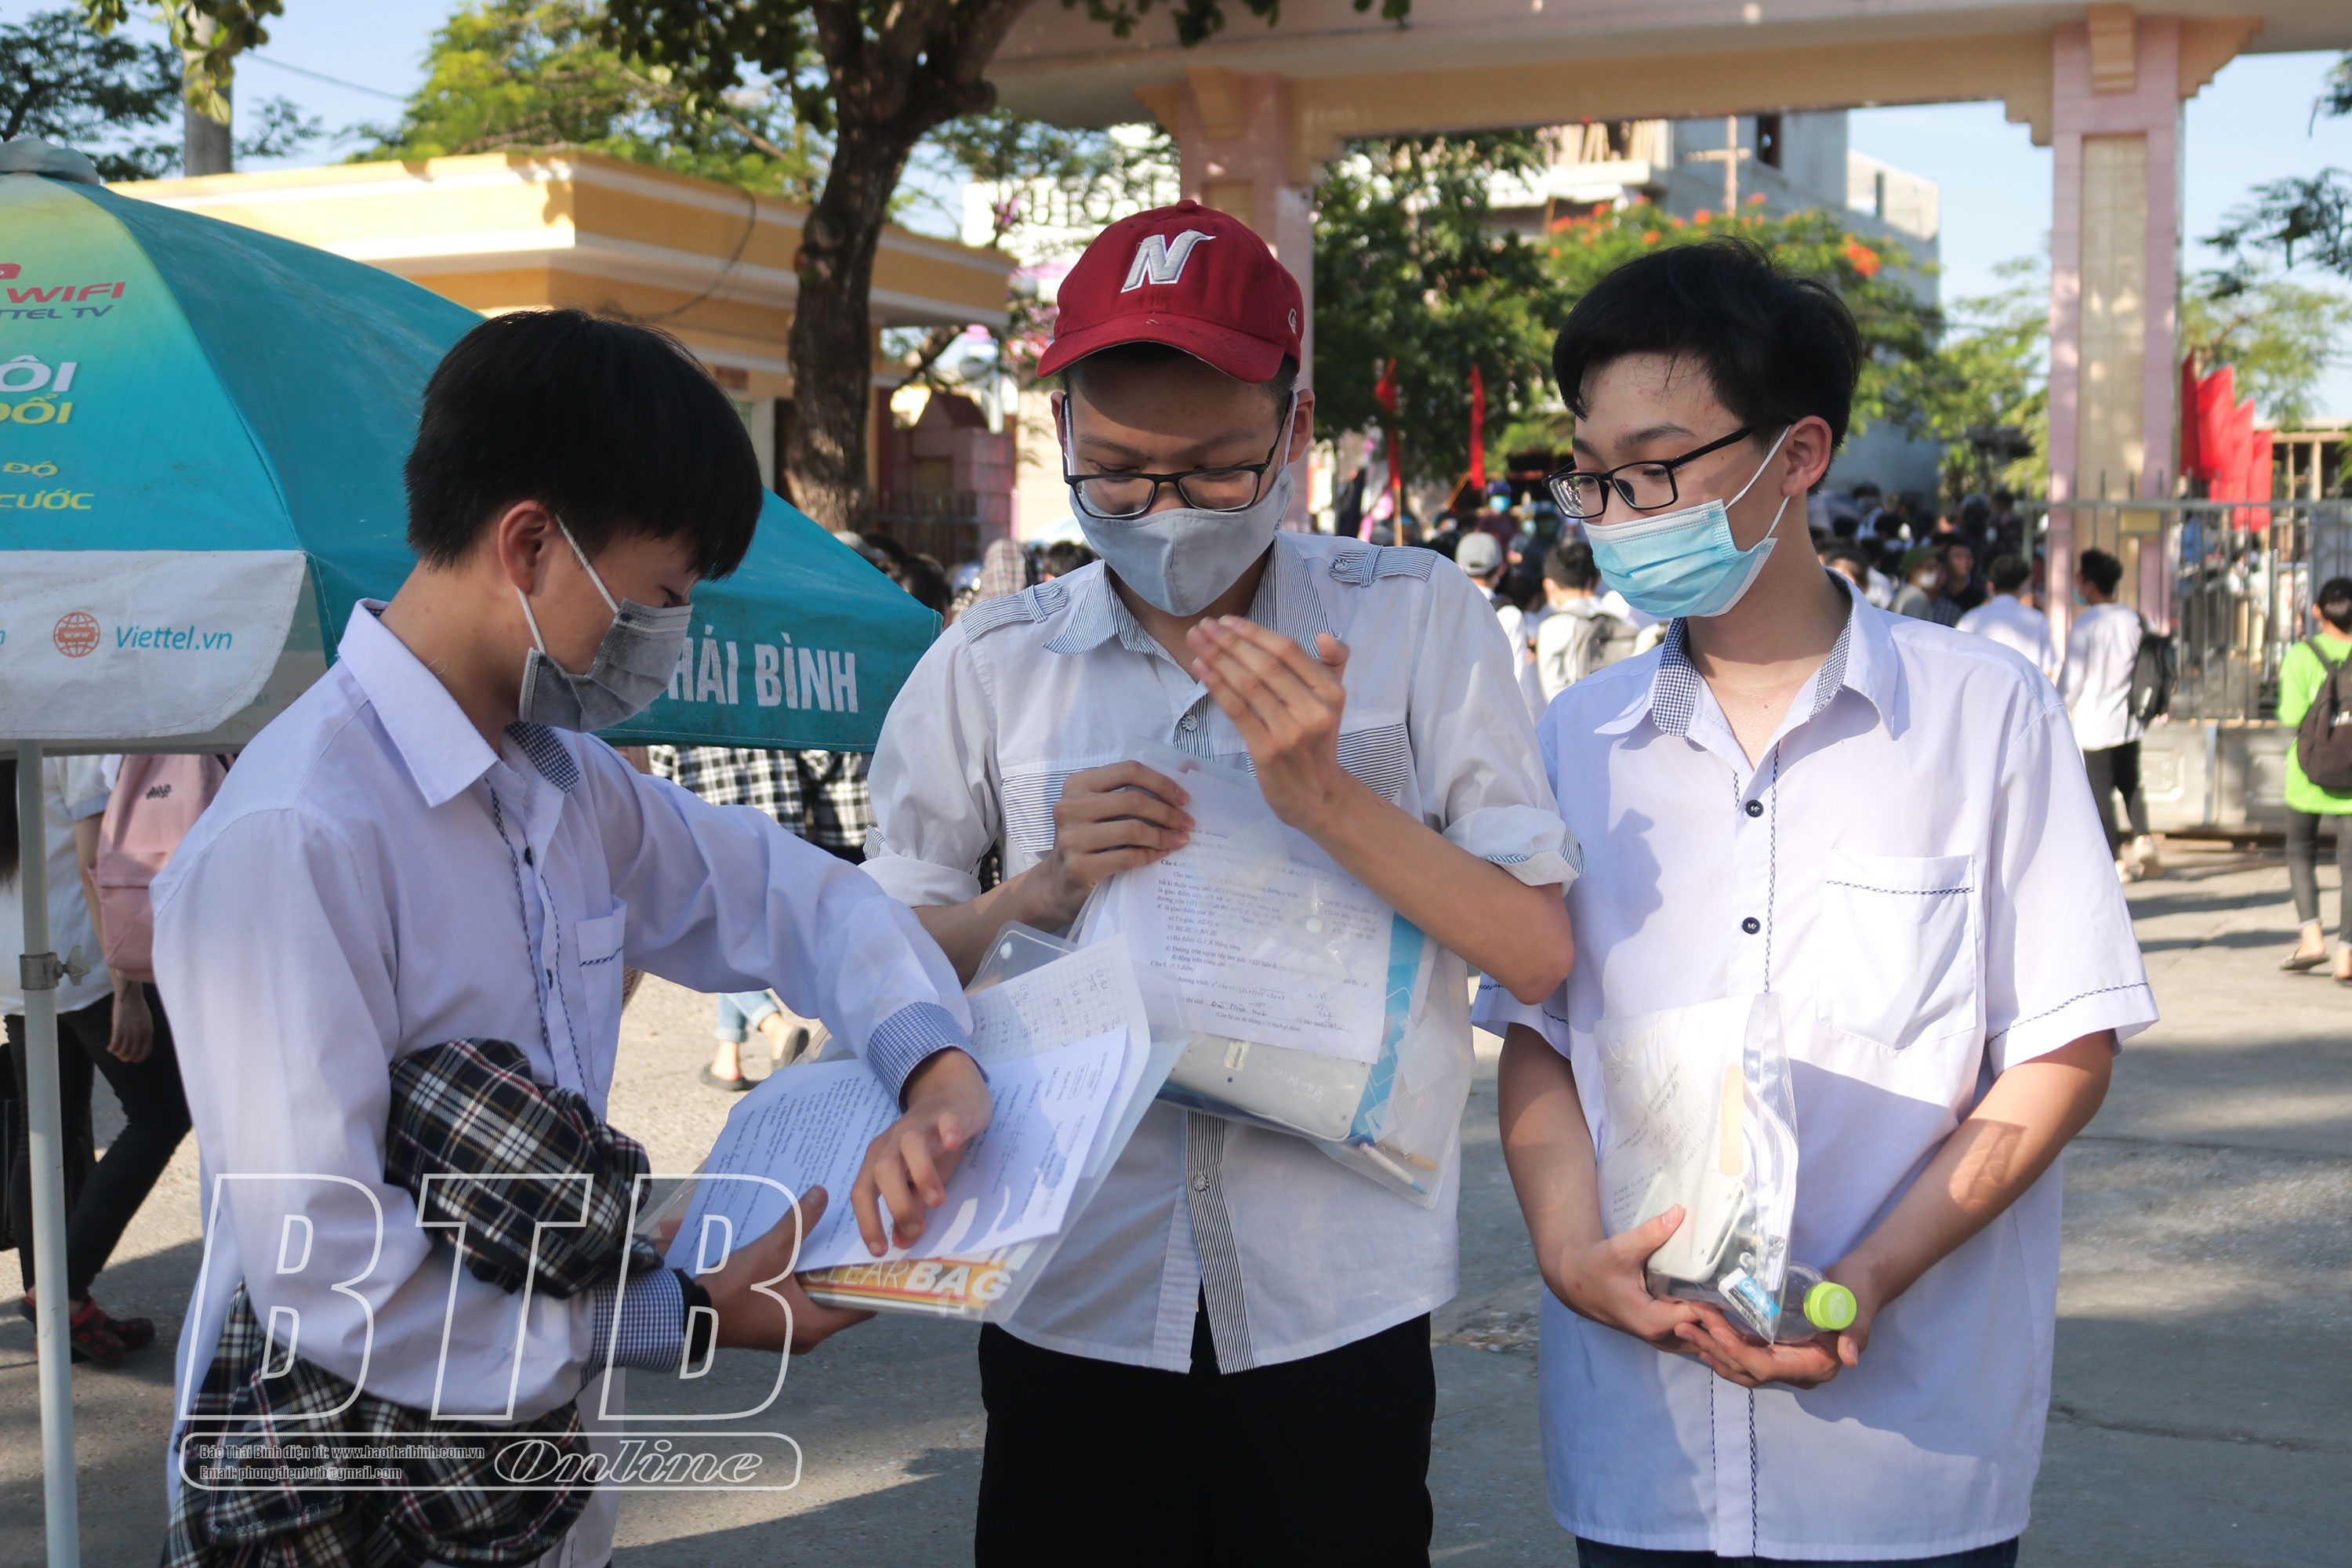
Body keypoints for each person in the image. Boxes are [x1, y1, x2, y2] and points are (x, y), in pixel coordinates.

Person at [149, 309, 989, 1563]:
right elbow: (328, 1269)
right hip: (343, 1495)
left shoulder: (560, 781)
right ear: (531, 544)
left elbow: (790, 896)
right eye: (661, 598)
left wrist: (934, 1067)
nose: (666, 641)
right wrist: (683, 1316)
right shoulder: (300, 834)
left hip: (521, 1493)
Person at [861, 199, 1578, 1566]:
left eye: (1213, 473)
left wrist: (1326, 798)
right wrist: (1031, 896)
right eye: (1118, 475)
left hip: (1333, 1297)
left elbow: (1535, 953)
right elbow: (869, 954)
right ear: (1060, 426)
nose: (1166, 514)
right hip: (1076, 1285)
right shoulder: (997, 661)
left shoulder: (1415, 619)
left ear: (1295, 433)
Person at [1484, 237, 2153, 1566]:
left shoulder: (1982, 717)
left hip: (1903, 1459)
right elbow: (1539, 1037)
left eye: (1657, 468)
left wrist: (1872, 1276)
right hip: (1643, 1451)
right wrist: (1567, 1251)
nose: (1618, 511)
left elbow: (2062, 1047)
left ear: (1797, 456)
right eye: (1596, 476)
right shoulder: (1576, 738)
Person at [2, 754, 191, 1364]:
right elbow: (95, 866)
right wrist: (128, 989)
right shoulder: (68, 733)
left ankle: (59, 1317)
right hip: (82, 960)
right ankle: (61, 1290)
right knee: (160, 1115)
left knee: (44, 1133)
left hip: (18, 960)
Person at [649, 744, 875, 1088]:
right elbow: (815, 759)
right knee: (745, 935)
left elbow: (660, 777)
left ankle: (775, 1028)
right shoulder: (774, 706)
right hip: (779, 834)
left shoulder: (678, 713)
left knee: (725, 938)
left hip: (712, 833)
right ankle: (727, 1056)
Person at [2063, 549, 2161, 881]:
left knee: (2100, 792)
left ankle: (2116, 860)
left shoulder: (2086, 624)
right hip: (2131, 719)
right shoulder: (2135, 619)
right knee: (2130, 783)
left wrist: (2059, 706)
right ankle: (2144, 838)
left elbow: (2073, 679)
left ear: (2089, 584)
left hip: (2095, 723)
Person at [2276, 575, 2352, 979]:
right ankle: (2348, 956)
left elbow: (2291, 715)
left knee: (2300, 852)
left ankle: (2312, 940)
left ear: (2318, 611)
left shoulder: (2301, 655)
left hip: (2308, 773)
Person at [1534, 539, 1637, 706]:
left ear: (1550, 585)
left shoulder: (1553, 626)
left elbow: (1554, 693)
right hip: (1624, 705)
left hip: (1582, 711)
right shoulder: (1621, 613)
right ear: (1596, 580)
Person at [1956, 552, 2060, 684]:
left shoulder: (1971, 618)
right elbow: (2048, 669)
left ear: (1990, 585)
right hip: (2025, 692)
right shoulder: (2038, 620)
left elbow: (1958, 661)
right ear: (2023, 585)